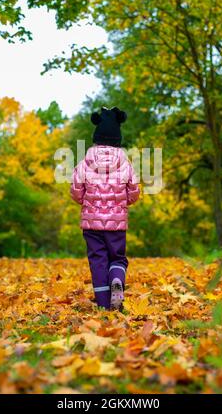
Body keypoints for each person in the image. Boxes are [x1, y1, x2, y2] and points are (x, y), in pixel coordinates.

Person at [70, 106, 140, 310]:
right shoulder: (125, 164)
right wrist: (122, 202)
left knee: (98, 261)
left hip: (91, 226)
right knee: (117, 258)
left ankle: (103, 304)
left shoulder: (84, 163)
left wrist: (86, 201)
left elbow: (76, 191)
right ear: (118, 138)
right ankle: (117, 279)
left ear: (96, 137)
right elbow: (134, 191)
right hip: (117, 225)